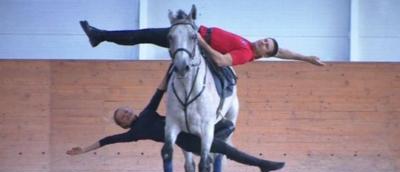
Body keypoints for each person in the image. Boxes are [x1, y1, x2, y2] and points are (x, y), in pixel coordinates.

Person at [66, 73, 285, 172]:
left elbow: (159, 91)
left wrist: (174, 67)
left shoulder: (147, 112)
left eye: (124, 110)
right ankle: (262, 164)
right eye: (122, 117)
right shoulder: (134, 133)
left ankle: (215, 161)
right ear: (124, 125)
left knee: (225, 124)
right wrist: (84, 150)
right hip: (187, 140)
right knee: (226, 149)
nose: (125, 113)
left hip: (190, 127)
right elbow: (106, 141)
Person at [79, 20, 325, 67]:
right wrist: (305, 57)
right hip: (193, 33)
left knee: (144, 35)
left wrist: (199, 40)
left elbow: (221, 60)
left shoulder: (245, 54)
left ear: (263, 54)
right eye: (266, 39)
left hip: (194, 39)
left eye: (266, 45)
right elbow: (280, 51)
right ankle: (99, 36)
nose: (264, 41)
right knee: (144, 34)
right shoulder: (250, 45)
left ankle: (99, 36)